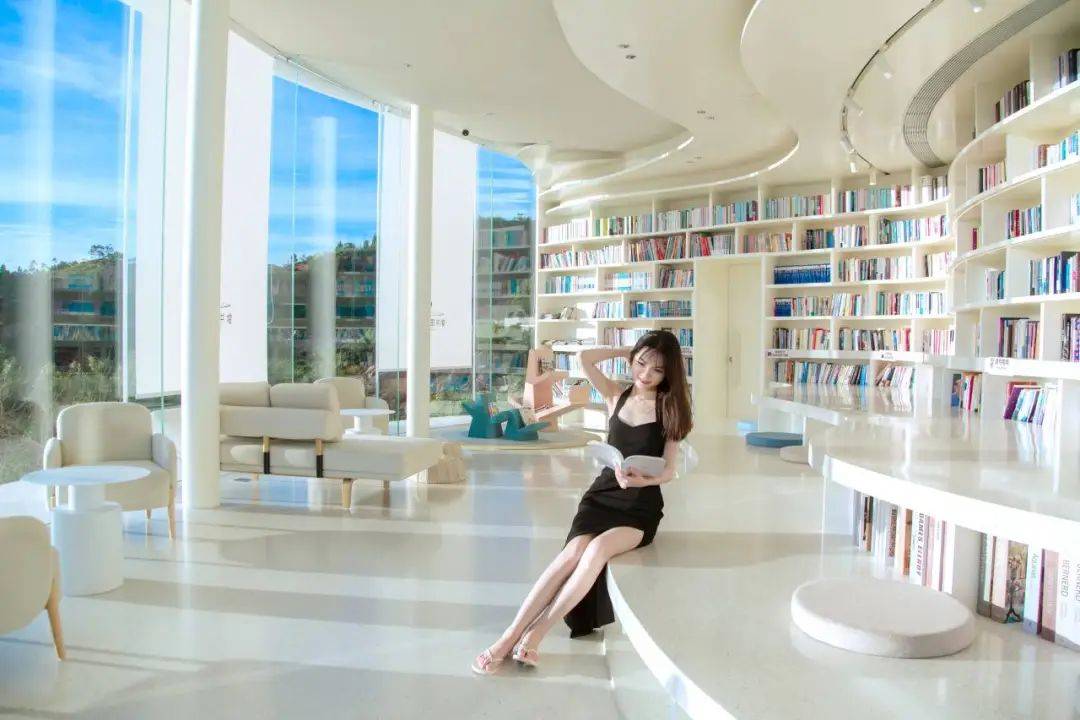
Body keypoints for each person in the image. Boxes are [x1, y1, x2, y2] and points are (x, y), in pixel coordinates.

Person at [472, 330, 693, 674]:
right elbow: (583, 358)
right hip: (601, 495)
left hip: (640, 507)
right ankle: (508, 637)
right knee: (572, 553)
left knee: (597, 550)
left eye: (657, 369)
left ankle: (536, 635)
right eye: (641, 363)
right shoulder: (615, 394)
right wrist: (630, 348)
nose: (646, 373)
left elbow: (668, 470)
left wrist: (643, 479)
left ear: (669, 374)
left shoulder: (670, 409)